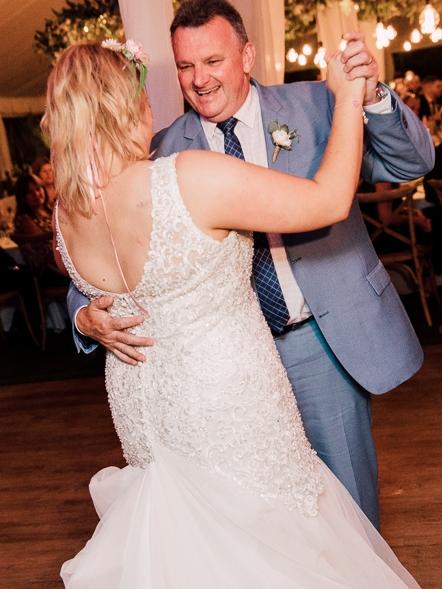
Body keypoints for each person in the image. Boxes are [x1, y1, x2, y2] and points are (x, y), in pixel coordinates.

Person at [44, 39, 421, 589]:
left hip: (146, 407)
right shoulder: (189, 174)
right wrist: (343, 98)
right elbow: (330, 200)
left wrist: (85, 314)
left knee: (189, 551)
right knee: (277, 545)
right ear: (122, 106)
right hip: (228, 407)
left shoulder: (66, 210)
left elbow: (91, 278)